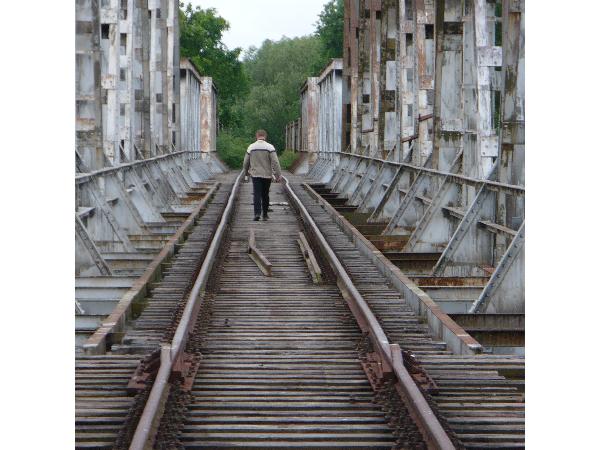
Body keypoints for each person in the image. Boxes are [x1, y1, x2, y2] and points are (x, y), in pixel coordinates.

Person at [242, 129, 282, 221]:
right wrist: (278, 174)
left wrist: (246, 173)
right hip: (267, 175)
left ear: (257, 136)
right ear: (265, 136)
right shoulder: (270, 147)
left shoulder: (251, 147)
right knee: (265, 194)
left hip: (255, 175)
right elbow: (275, 162)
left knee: (257, 194)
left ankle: (257, 214)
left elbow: (245, 162)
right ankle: (265, 214)